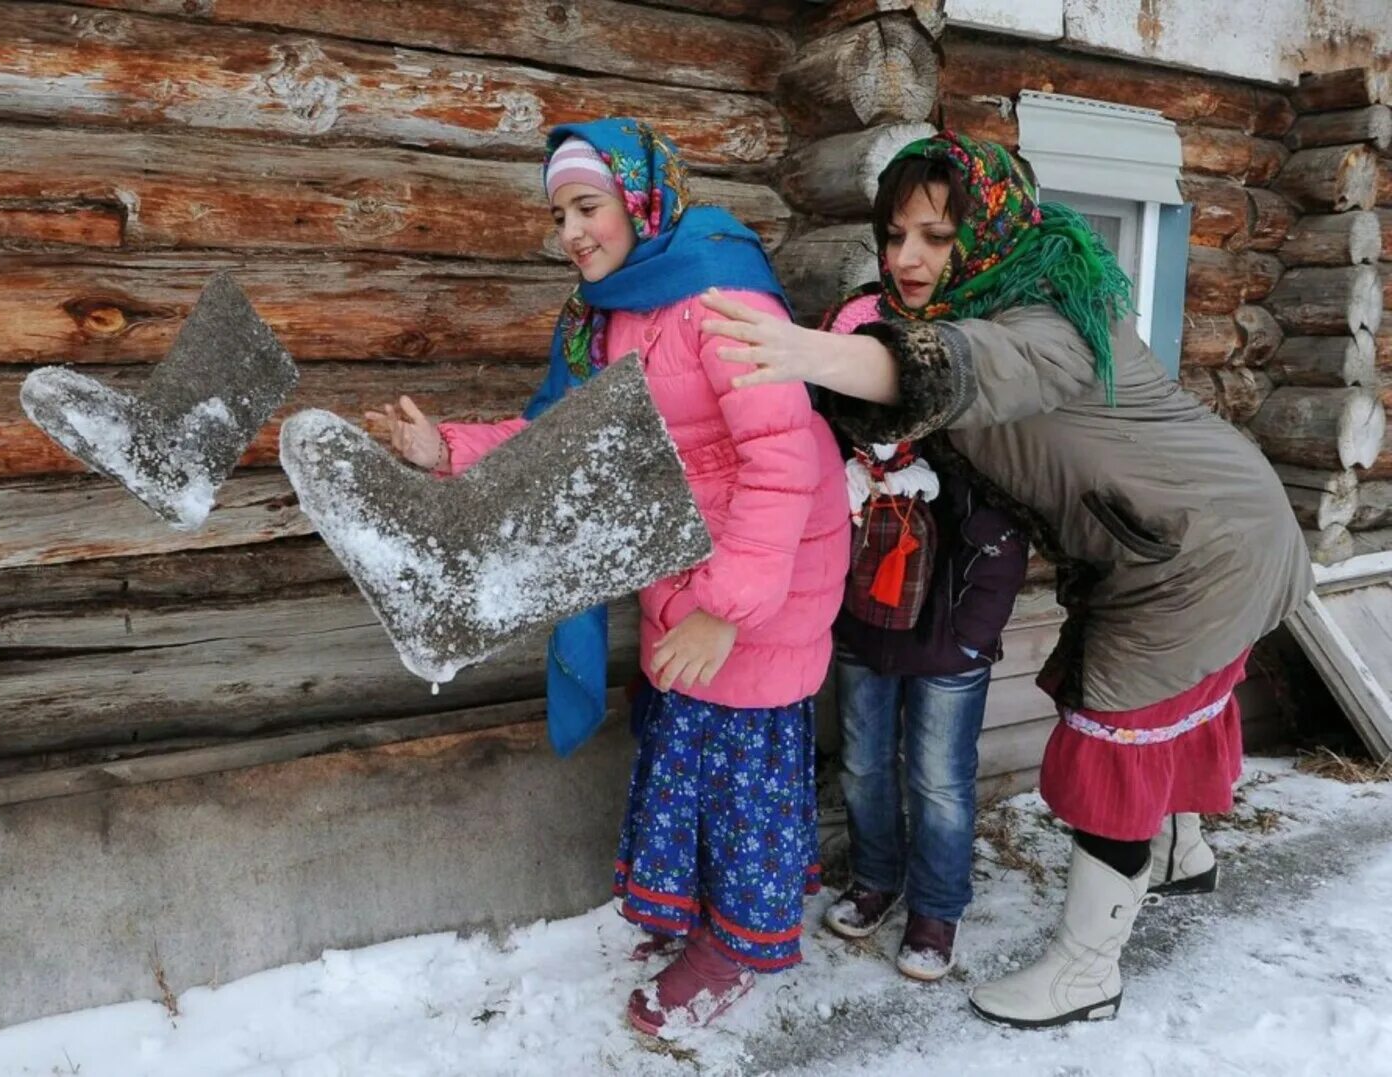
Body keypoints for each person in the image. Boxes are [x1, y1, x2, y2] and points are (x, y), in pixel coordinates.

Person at [698, 130, 1310, 1029]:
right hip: (1186, 533)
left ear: (985, 232)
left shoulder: (1049, 320)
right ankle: (1178, 851)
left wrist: (804, 353)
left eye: (936, 238)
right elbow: (915, 390)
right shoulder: (990, 301)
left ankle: (1083, 970)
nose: (907, 258)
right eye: (896, 233)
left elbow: (964, 366)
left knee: (1115, 733)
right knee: (1165, 704)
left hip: (1197, 552)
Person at [366, 118, 849, 1035]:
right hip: (685, 573)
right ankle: (700, 914)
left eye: (587, 206)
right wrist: (446, 450)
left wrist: (725, 612)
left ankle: (740, 944)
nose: (572, 233)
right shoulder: (614, 315)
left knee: (739, 772)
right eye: (559, 215)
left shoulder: (722, 299)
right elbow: (563, 445)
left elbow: (783, 461)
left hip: (760, 582)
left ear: (639, 197)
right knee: (686, 753)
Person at [821, 293, 1028, 982]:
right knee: (865, 764)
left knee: (938, 779)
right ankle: (876, 877)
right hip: (862, 631)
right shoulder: (835, 443)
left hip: (947, 639)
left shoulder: (961, 437)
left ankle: (937, 905)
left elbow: (1001, 538)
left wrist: (972, 635)